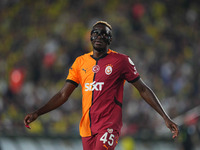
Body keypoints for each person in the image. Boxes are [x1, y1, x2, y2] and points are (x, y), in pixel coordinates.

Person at [24, 21, 179, 150]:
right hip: (87, 129)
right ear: (91, 38)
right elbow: (63, 95)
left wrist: (165, 117)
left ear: (110, 39)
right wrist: (38, 113)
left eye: (104, 33)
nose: (99, 36)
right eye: (95, 33)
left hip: (109, 125)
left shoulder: (121, 61)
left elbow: (143, 89)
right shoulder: (80, 63)